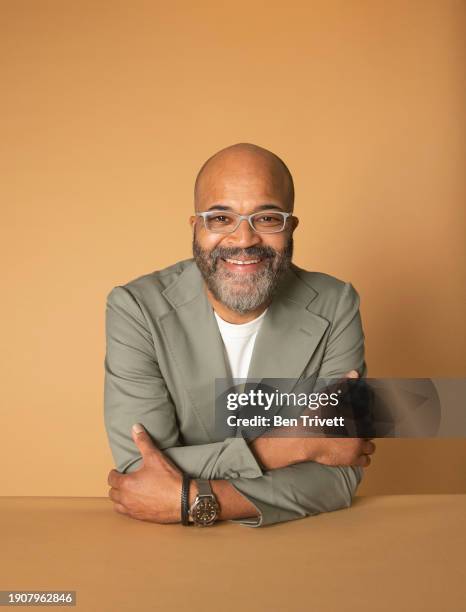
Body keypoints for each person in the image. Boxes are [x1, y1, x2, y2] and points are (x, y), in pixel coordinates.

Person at [105, 143, 376, 527]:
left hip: (299, 554)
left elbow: (340, 473)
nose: (244, 239)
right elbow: (140, 467)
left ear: (290, 226)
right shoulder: (135, 308)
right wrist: (295, 444)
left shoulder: (336, 304)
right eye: (220, 218)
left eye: (266, 218)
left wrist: (196, 500)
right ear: (196, 226)